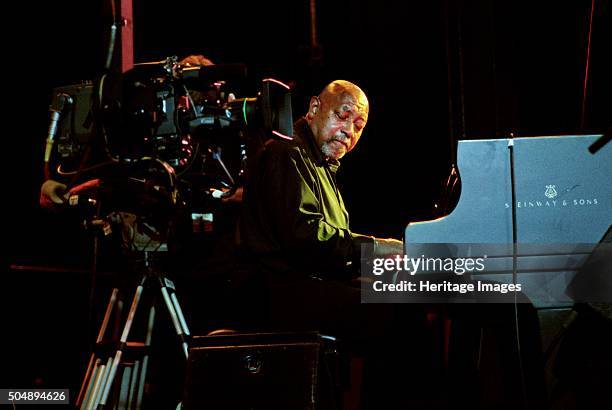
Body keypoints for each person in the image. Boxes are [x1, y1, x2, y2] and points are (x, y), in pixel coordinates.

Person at [237, 80, 433, 409]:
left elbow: (330, 250)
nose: (349, 132)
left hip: (305, 284)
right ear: (315, 109)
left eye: (358, 126)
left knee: (405, 295)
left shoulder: (316, 163)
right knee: (399, 314)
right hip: (279, 292)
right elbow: (307, 240)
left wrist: (383, 267)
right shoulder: (286, 152)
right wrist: (381, 250)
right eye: (343, 117)